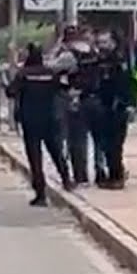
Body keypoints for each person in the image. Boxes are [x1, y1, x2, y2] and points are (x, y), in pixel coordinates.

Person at [8, 43, 75, 205]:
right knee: (56, 151)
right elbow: (63, 88)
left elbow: (11, 91)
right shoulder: (50, 73)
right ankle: (66, 179)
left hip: (30, 120)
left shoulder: (23, 74)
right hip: (49, 118)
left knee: (35, 157)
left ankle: (40, 193)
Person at [91, 30, 137, 189]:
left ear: (113, 43)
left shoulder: (119, 62)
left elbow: (128, 84)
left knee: (115, 145)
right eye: (100, 42)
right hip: (102, 108)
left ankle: (117, 176)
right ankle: (112, 174)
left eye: (105, 42)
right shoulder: (97, 62)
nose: (102, 46)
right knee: (105, 144)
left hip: (118, 108)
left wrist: (130, 104)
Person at [48, 25, 95, 186]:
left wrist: (56, 49)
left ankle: (76, 175)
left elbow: (50, 67)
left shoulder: (68, 55)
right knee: (82, 139)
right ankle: (86, 174)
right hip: (87, 96)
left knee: (70, 139)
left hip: (69, 98)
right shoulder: (90, 51)